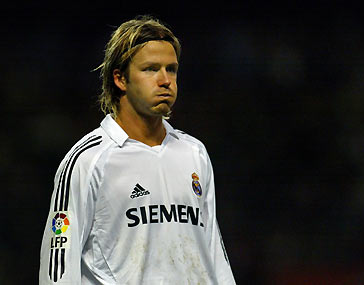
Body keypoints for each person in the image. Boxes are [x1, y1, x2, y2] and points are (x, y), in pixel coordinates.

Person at [39, 15, 236, 284]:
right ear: (120, 79)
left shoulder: (194, 153)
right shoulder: (87, 159)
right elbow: (58, 263)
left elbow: (213, 250)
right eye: (151, 69)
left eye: (172, 69)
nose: (165, 80)